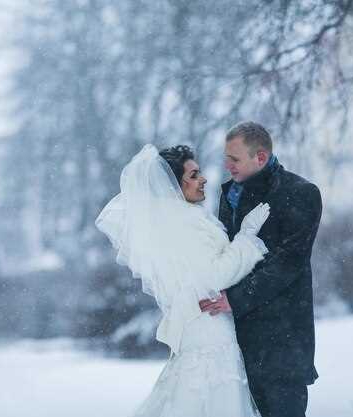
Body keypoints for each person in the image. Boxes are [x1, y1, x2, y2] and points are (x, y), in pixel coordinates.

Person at [96, 144, 270, 417]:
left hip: (206, 329)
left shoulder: (183, 219)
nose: (203, 180)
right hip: (208, 334)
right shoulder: (182, 225)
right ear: (174, 186)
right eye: (194, 175)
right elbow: (215, 275)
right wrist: (247, 237)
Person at [199, 121, 323, 417]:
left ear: (261, 157)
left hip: (283, 343)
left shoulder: (302, 193)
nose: (227, 165)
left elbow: (289, 263)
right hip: (238, 345)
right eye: (226, 157)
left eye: (235, 158)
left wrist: (235, 298)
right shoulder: (229, 193)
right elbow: (228, 255)